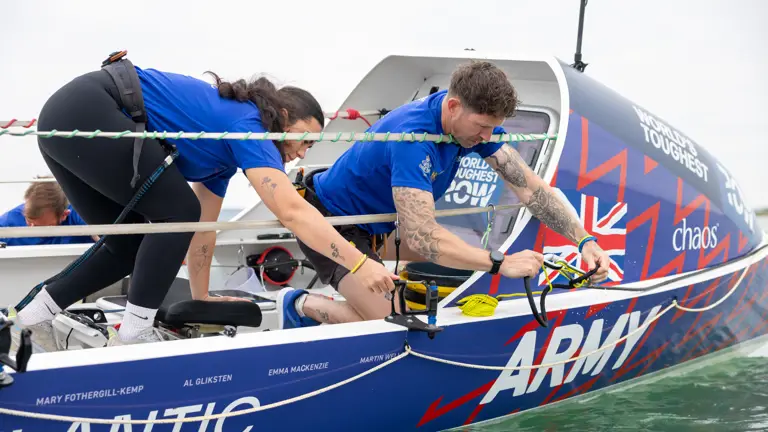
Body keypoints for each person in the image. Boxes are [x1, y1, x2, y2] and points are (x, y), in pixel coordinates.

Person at [11, 52, 398, 351]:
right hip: (92, 108)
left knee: (126, 243)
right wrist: (359, 263)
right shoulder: (248, 127)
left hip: (63, 120)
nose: (302, 153)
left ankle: (34, 315)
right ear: (281, 116)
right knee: (176, 211)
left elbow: (202, 229)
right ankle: (133, 334)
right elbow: (292, 210)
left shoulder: (221, 154)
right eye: (304, 139)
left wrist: (201, 296)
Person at [277, 60, 612, 328]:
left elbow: (531, 190)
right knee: (396, 324)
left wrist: (585, 241)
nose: (485, 136)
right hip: (331, 222)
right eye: (481, 127)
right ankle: (301, 305)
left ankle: (353, 299)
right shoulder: (414, 140)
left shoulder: (472, 127)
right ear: (453, 106)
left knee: (427, 289)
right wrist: (501, 263)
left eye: (491, 129)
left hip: (374, 224)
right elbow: (423, 238)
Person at [0, 178, 96, 246]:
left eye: (40, 227)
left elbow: (104, 240)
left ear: (64, 215)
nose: (32, 229)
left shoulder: (79, 213)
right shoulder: (9, 222)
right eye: (29, 222)